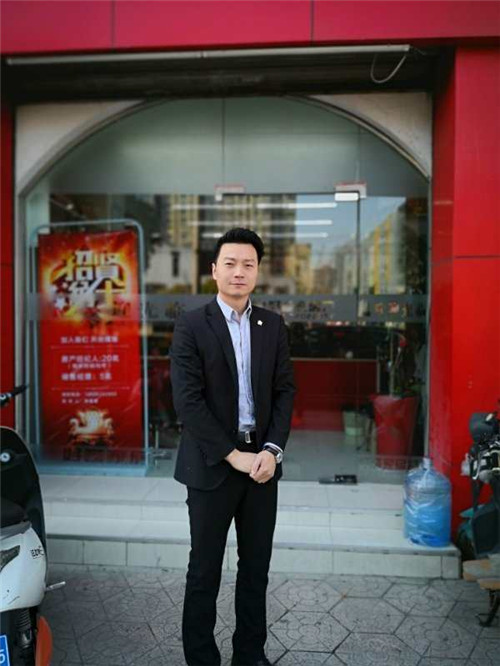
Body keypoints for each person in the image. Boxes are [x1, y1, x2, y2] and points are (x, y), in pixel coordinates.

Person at [170, 227, 295, 666]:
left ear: (257, 272)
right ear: (214, 270)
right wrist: (232, 455)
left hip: (262, 464)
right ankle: (201, 658)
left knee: (255, 568)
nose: (238, 272)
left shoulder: (272, 325)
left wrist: (272, 451)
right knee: (204, 569)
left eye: (248, 264)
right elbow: (187, 402)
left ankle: (250, 653)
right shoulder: (191, 325)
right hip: (212, 465)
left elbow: (284, 392)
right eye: (230, 263)